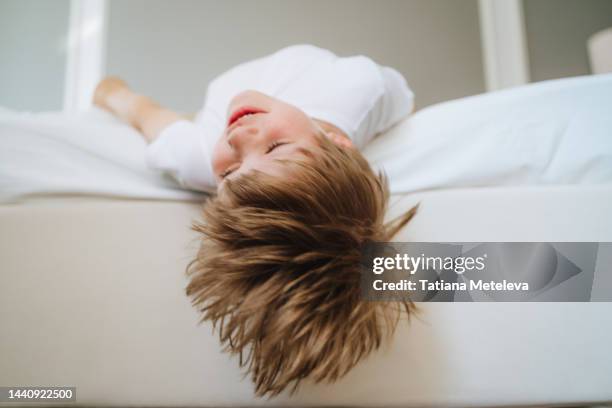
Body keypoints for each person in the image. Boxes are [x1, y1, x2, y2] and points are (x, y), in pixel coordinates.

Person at [94, 44, 418, 397]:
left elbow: (138, 108)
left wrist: (112, 92)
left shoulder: (197, 156)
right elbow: (405, 99)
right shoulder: (360, 86)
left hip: (214, 107)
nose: (237, 137)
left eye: (229, 172)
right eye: (276, 148)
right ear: (338, 143)